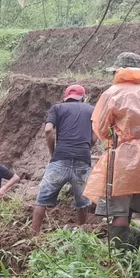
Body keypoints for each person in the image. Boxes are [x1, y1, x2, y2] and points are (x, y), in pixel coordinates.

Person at [83, 52, 140, 244]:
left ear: (119, 71)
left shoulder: (112, 93)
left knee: (118, 208)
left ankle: (119, 252)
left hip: (124, 155)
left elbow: (101, 127)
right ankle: (128, 246)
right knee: (134, 203)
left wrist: (116, 138)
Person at [31, 85, 97, 235]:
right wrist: (86, 148)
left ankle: (33, 237)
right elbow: (94, 137)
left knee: (42, 200)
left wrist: (53, 152)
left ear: (66, 97)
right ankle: (82, 235)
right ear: (83, 97)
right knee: (82, 202)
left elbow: (48, 130)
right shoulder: (91, 110)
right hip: (82, 159)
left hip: (60, 158)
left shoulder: (57, 108)